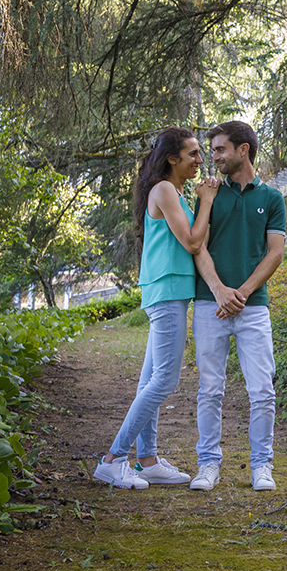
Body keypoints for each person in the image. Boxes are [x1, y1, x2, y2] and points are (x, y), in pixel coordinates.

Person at [94, 127, 220, 489]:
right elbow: (194, 242)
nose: (200, 160)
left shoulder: (176, 193)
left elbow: (196, 237)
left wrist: (198, 204)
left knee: (150, 381)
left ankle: (147, 460)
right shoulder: (164, 190)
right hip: (166, 290)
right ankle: (113, 459)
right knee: (165, 380)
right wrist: (207, 200)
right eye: (194, 154)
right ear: (172, 158)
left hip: (171, 289)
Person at [188, 121, 286, 492]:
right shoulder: (209, 196)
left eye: (219, 149)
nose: (213, 157)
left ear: (243, 150)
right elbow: (198, 247)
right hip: (210, 305)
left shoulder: (272, 199)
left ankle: (262, 465)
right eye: (212, 150)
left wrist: (240, 293)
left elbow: (275, 253)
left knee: (263, 390)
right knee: (210, 390)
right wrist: (219, 291)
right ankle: (207, 464)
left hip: (254, 308)